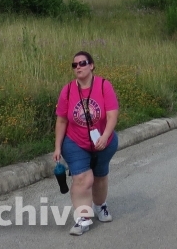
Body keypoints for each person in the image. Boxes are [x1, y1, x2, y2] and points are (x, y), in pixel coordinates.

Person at [54, 51, 120, 236]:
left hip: (103, 140)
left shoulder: (104, 86)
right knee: (83, 179)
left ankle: (100, 206)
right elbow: (61, 121)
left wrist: (106, 136)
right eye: (74, 65)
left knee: (99, 177)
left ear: (91, 65)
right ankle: (83, 218)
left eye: (82, 63)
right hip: (75, 142)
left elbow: (112, 115)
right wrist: (58, 146)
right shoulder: (67, 90)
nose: (78, 67)